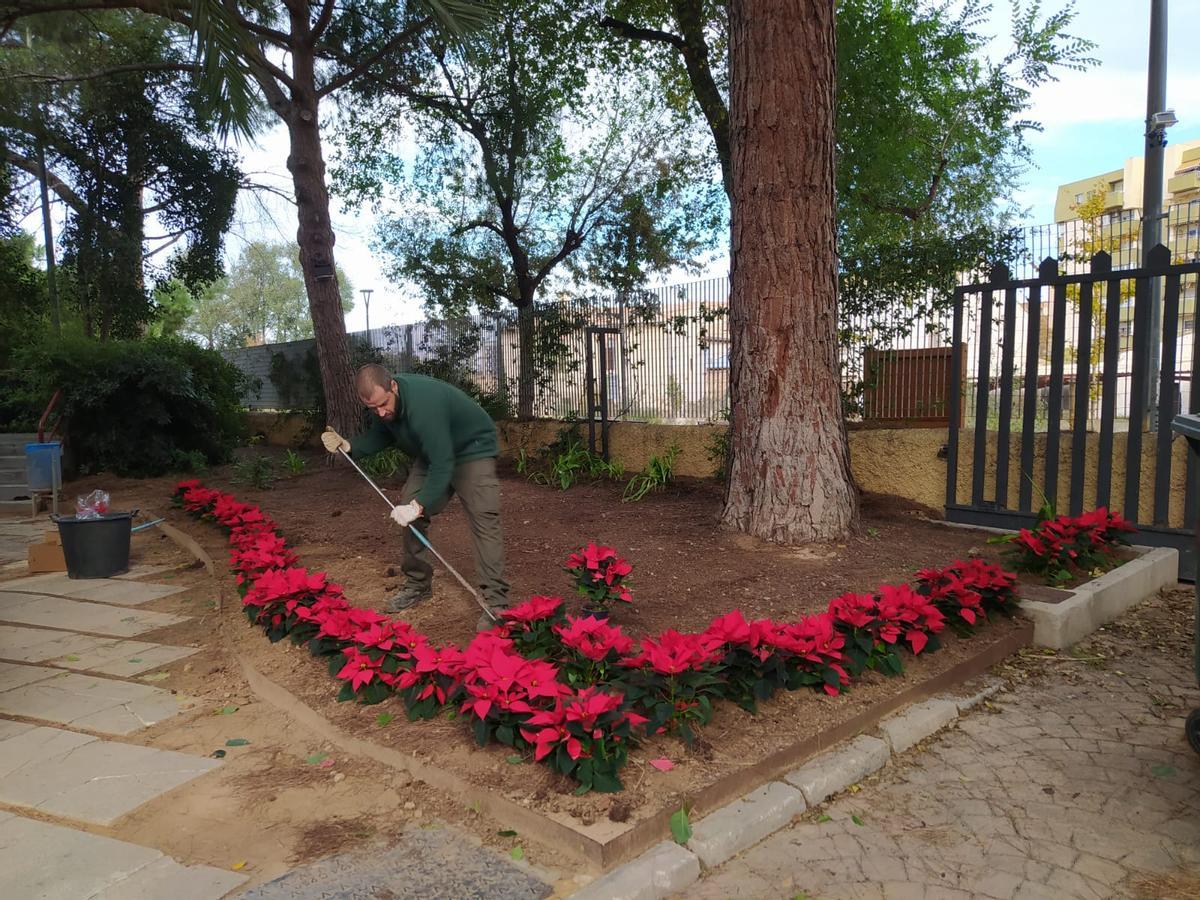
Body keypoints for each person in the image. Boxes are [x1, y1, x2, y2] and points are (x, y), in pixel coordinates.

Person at [321, 364, 509, 630]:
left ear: (393, 386)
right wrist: (350, 446)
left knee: (483, 519)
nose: (381, 412)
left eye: (384, 404)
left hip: (472, 449)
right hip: (433, 450)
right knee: (409, 512)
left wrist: (419, 506)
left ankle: (496, 604)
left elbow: (444, 464)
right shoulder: (381, 405)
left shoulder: (424, 405)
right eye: (373, 408)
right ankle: (418, 584)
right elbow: (381, 434)